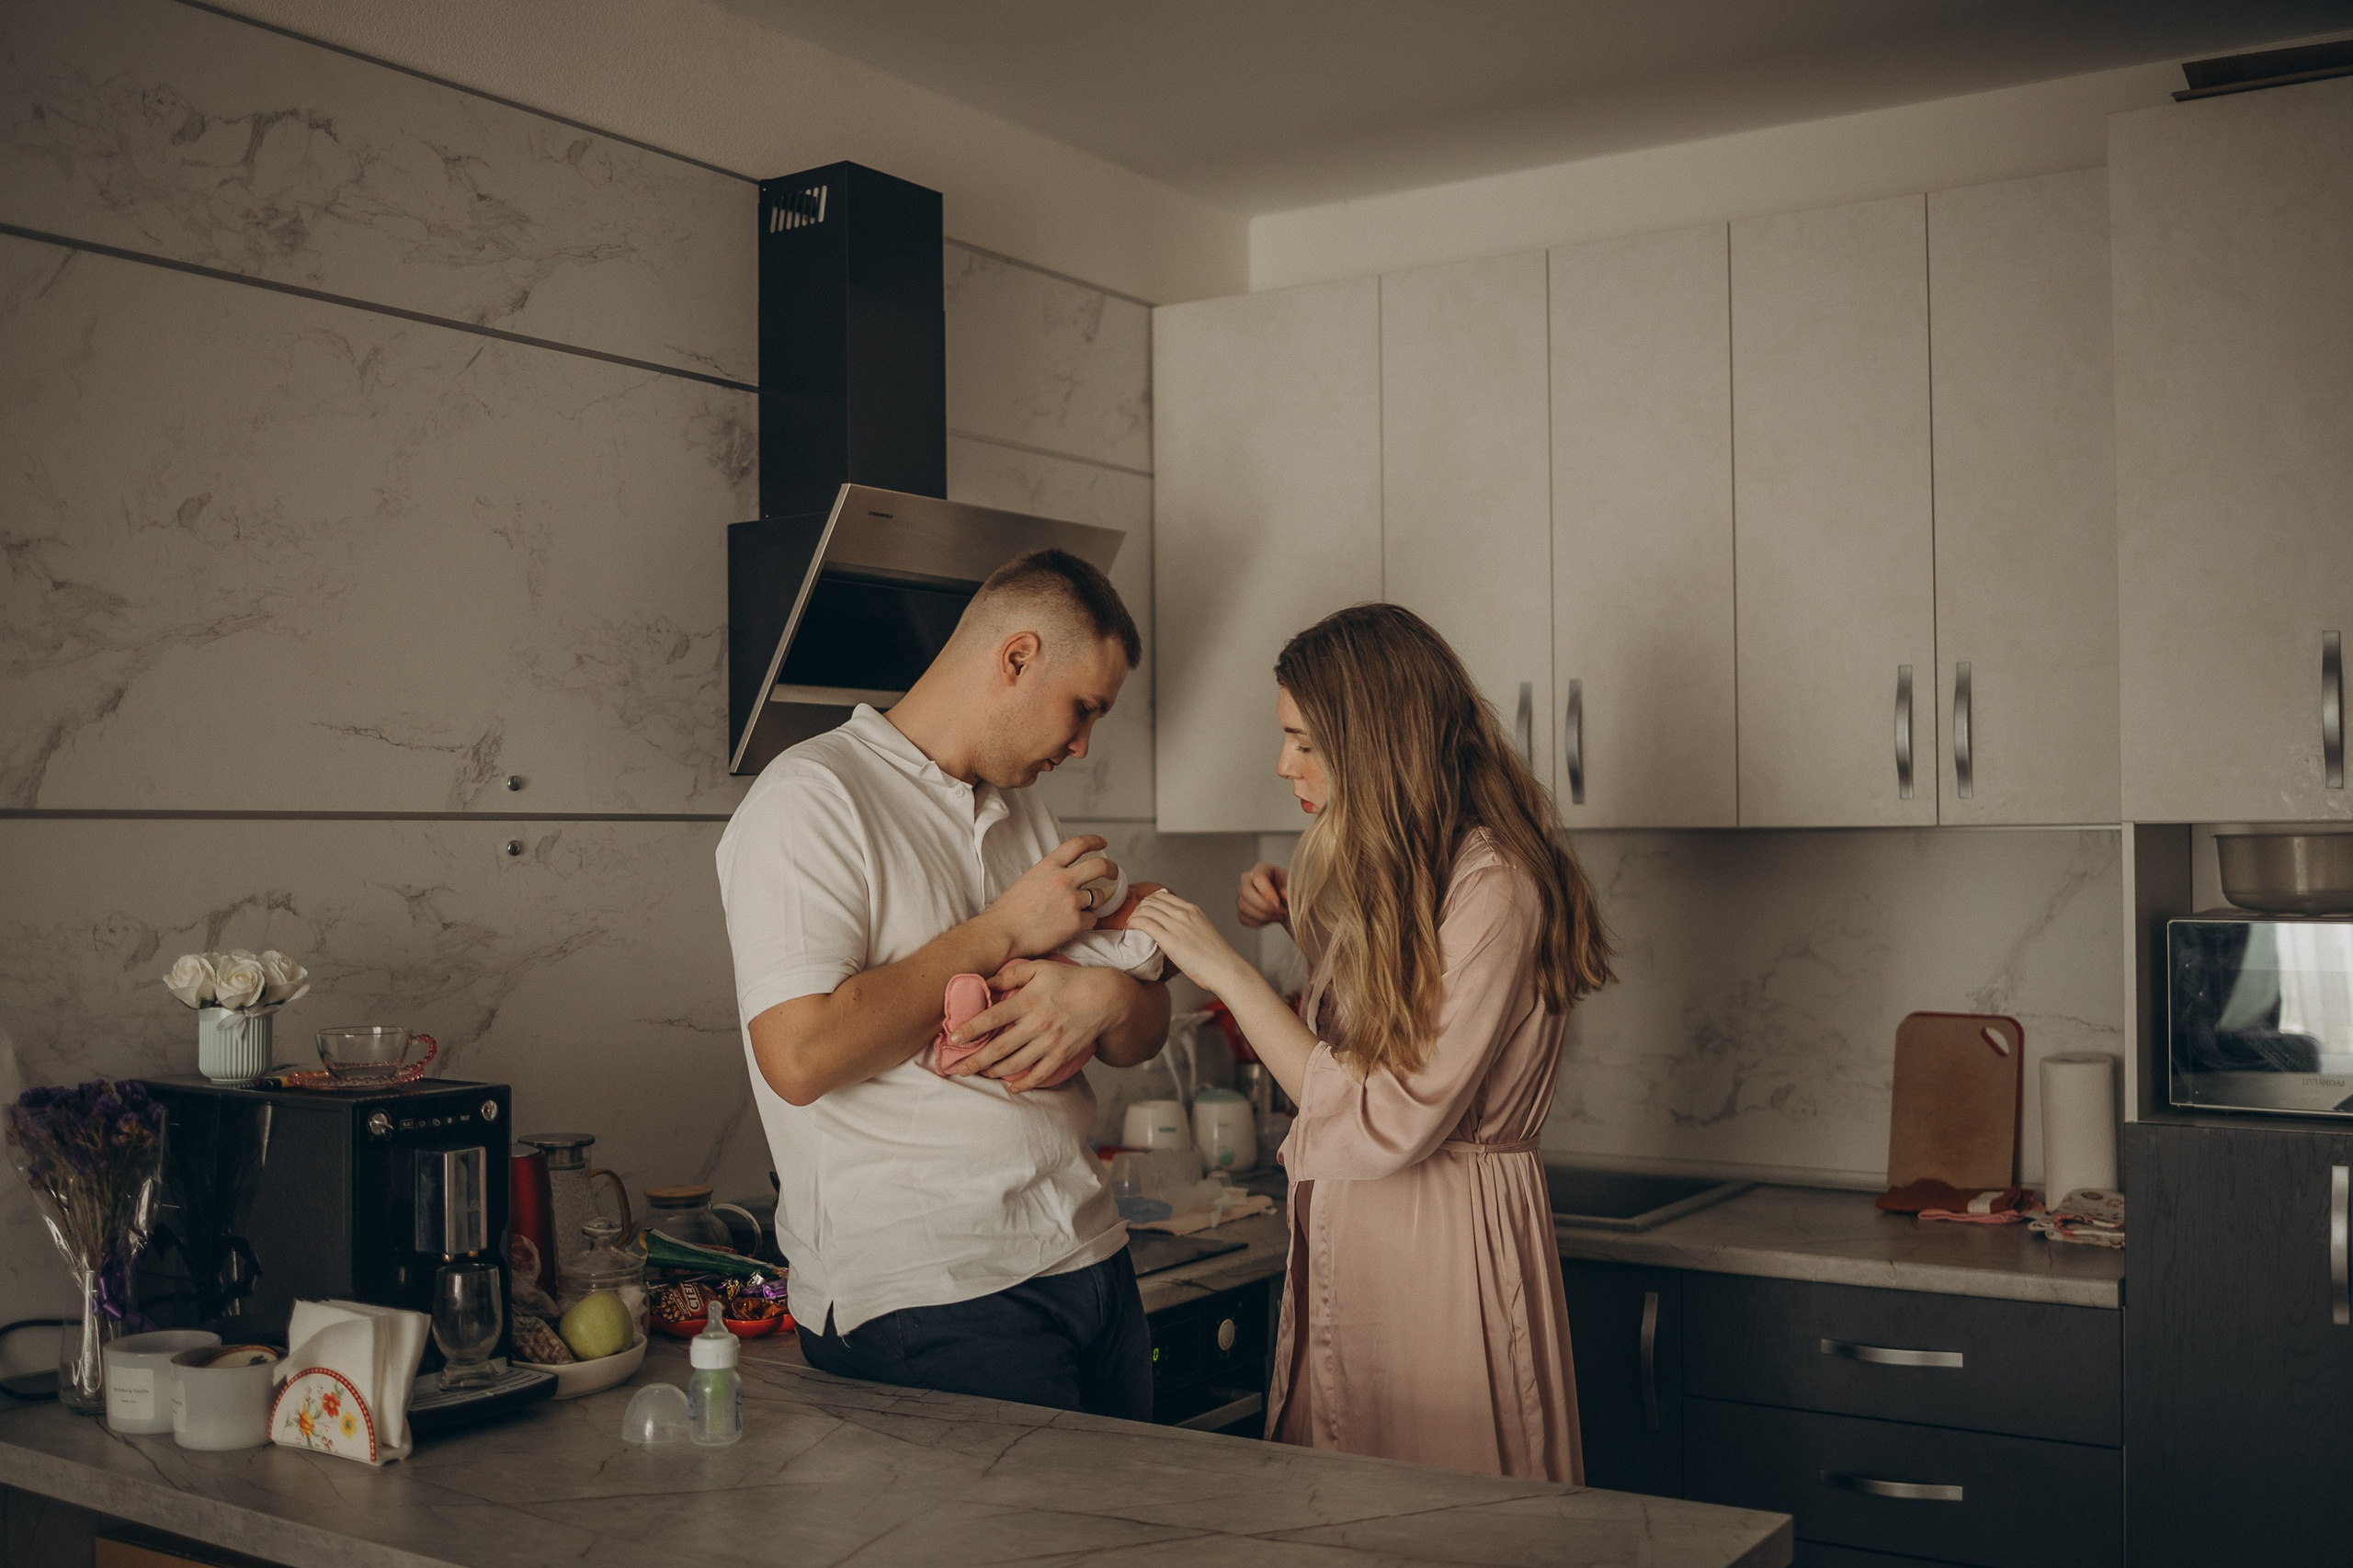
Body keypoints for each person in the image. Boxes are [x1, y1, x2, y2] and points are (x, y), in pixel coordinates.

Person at [1127, 603, 1614, 1481]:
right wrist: (1310, 924)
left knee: (1447, 1521)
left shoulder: (1496, 883)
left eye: (1306, 741)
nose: (1284, 765)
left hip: (1445, 1249)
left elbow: (1388, 1108)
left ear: (1378, 739)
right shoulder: (1410, 868)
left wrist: (1226, 970)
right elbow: (1385, 1037)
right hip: (1364, 1239)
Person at [715, 548, 1171, 1419]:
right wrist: (1002, 928)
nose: (1082, 745)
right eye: (1083, 710)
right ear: (1016, 657)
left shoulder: (1022, 808)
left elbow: (1140, 1028)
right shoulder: (811, 798)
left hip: (1089, 1253)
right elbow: (799, 1056)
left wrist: (1110, 999)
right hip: (937, 1289)